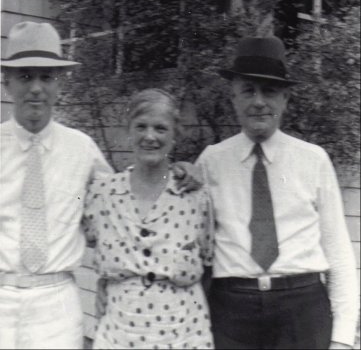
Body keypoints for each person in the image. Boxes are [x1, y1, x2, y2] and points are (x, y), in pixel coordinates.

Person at [0, 22, 199, 349]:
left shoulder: (80, 148)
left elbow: (127, 200)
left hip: (56, 303)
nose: (36, 87)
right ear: (7, 83)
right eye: (25, 76)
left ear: (59, 85)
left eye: (46, 77)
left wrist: (177, 171)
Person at [196, 36, 359, 349]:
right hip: (232, 313)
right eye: (248, 91)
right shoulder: (210, 162)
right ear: (233, 98)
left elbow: (338, 253)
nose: (259, 101)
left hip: (302, 312)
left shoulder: (313, 160)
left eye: (269, 91)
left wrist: (342, 338)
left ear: (285, 98)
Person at [82, 88, 214, 349]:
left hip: (183, 334)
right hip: (120, 333)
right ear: (128, 130)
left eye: (161, 128)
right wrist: (105, 282)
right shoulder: (103, 193)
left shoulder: (195, 197)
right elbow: (90, 241)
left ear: (175, 134)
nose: (150, 136)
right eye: (141, 126)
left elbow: (209, 261)